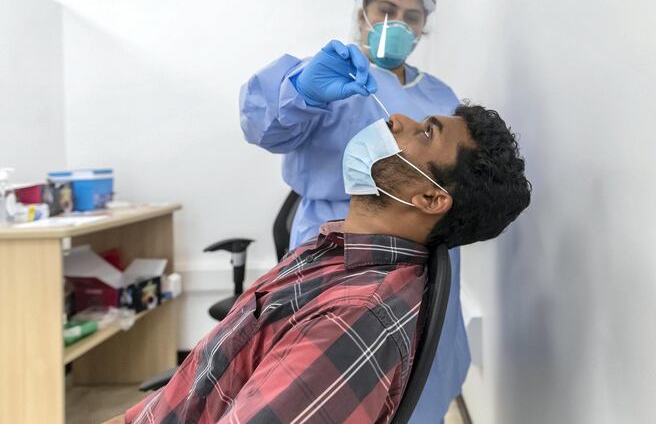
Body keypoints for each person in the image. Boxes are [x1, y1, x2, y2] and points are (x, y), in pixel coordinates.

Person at [108, 104, 531, 424]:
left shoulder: (355, 317)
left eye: (425, 133)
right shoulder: (335, 250)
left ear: (431, 199)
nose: (397, 118)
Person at [239, 0, 471, 421]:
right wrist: (302, 89)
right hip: (338, 244)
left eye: (412, 16)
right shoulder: (330, 77)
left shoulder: (442, 97)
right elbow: (264, 126)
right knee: (325, 378)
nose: (397, 24)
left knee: (420, 367)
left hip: (420, 248)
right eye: (386, 9)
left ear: (425, 27)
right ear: (362, 12)